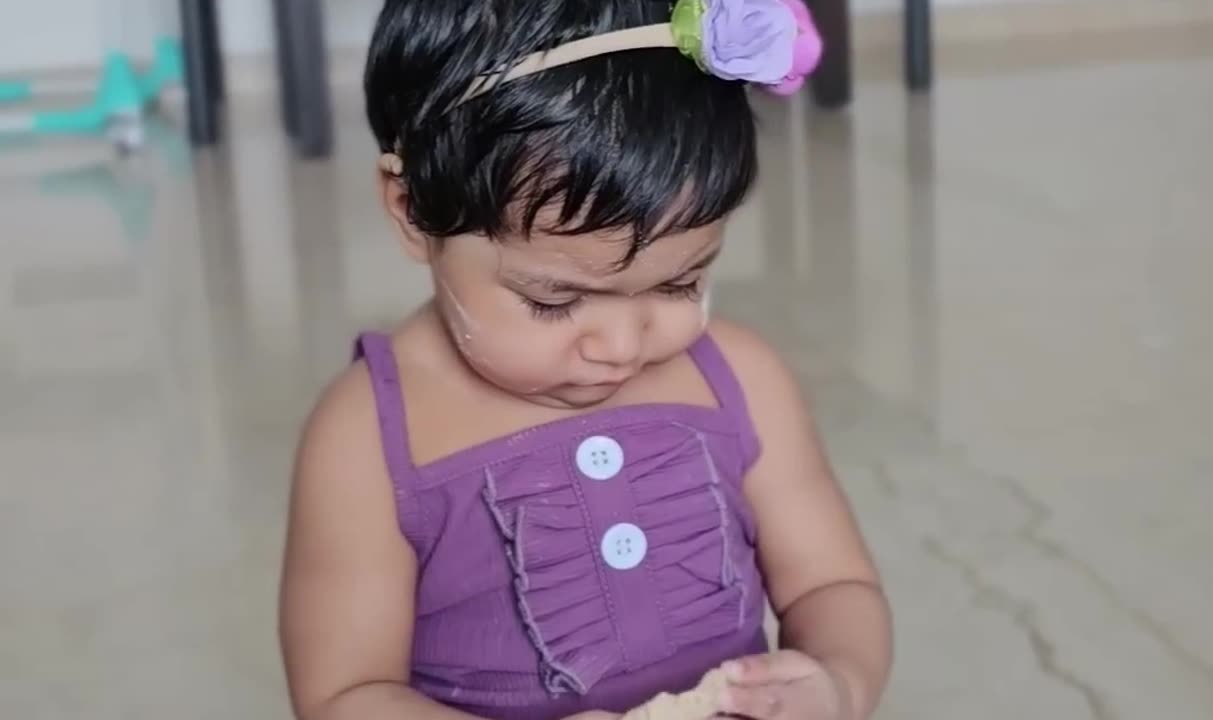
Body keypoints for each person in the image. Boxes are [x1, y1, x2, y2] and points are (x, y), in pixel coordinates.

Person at [278, 1, 892, 718]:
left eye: (680, 282)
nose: (621, 345)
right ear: (413, 209)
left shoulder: (741, 379)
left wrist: (838, 683)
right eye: (554, 300)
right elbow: (344, 696)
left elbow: (834, 586)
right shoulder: (368, 437)